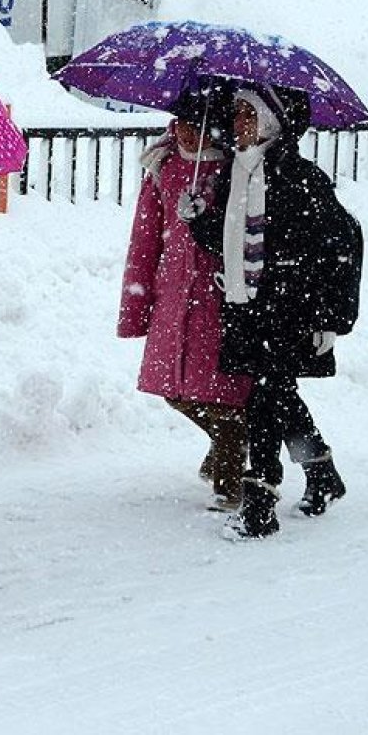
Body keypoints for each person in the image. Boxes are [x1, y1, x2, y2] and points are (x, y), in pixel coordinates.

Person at [190, 86, 363, 540]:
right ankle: (321, 470)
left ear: (271, 121)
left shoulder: (300, 176)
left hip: (290, 306)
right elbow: (228, 242)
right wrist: (198, 220)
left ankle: (260, 502)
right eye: (236, 113)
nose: (238, 121)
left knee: (264, 398)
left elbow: (339, 247)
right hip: (245, 305)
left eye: (248, 113)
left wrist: (330, 318)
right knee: (277, 393)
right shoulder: (233, 175)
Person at [118, 92, 252, 512]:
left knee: (221, 390)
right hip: (172, 296)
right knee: (174, 389)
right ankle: (231, 440)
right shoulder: (163, 168)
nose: (184, 132)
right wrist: (135, 306)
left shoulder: (236, 169)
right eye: (180, 123)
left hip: (219, 295)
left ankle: (230, 481)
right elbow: (144, 241)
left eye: (195, 125)